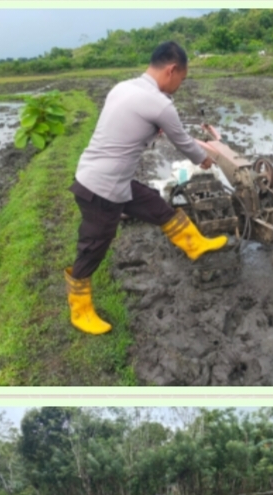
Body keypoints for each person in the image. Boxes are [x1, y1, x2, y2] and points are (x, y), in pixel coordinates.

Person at [64, 41, 227, 335]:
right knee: (93, 246)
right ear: (172, 70)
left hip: (107, 176)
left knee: (155, 205)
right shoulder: (159, 104)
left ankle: (194, 244)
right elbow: (184, 142)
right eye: (182, 79)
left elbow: (127, 128)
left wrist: (152, 130)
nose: (180, 85)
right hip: (102, 188)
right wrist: (205, 160)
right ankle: (80, 310)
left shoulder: (123, 88)